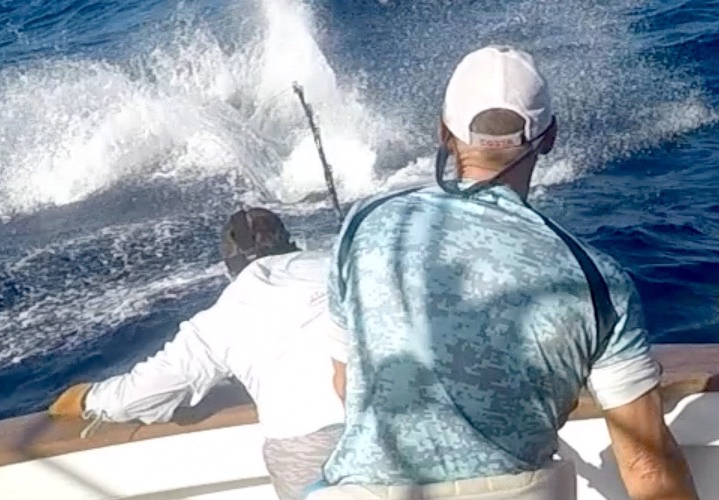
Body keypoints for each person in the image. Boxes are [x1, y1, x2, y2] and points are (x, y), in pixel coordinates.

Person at [308, 46, 698, 499]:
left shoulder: (364, 223)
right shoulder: (598, 279)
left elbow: (347, 382)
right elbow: (647, 467)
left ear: (443, 132)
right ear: (549, 137)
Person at [49, 208, 346, 500]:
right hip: (371, 414)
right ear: (291, 243)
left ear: (229, 268)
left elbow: (142, 394)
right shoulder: (337, 265)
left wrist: (89, 399)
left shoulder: (218, 319)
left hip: (307, 442)